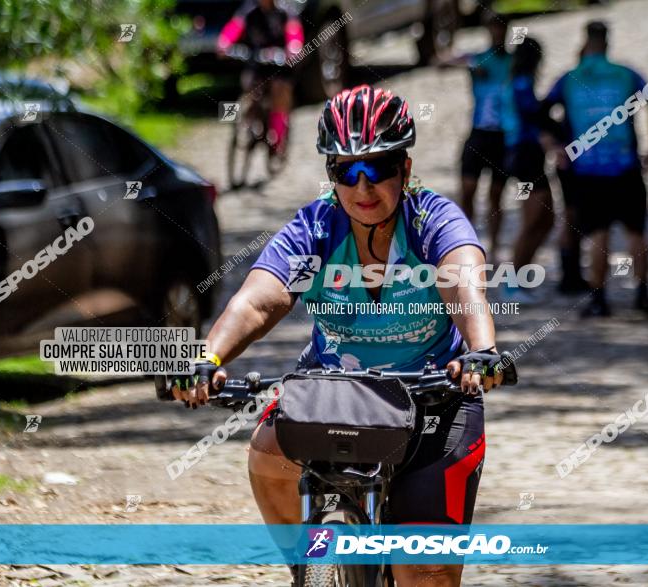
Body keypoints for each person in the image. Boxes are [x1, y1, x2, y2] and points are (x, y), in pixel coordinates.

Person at [170, 85, 514, 587]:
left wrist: (483, 352)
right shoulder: (315, 226)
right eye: (344, 170)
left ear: (406, 169)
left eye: (377, 167)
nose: (362, 186)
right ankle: (310, 570)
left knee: (425, 569)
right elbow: (259, 299)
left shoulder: (431, 218)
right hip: (335, 389)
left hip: (436, 395)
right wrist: (208, 356)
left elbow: (463, 282)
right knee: (267, 451)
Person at [541, 21, 648, 317]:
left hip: (588, 169)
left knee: (598, 234)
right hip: (625, 165)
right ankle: (643, 296)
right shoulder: (625, 73)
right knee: (637, 232)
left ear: (586, 42)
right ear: (608, 42)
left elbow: (541, 110)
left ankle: (599, 300)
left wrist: (555, 146)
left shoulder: (570, 78)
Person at [445, 12, 513, 256]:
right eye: (492, 29)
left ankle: (494, 247)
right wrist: (467, 63)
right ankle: (464, 241)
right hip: (478, 133)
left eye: (500, 29)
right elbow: (441, 61)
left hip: (503, 135)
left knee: (496, 195)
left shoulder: (513, 62)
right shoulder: (478, 59)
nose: (496, 34)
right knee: (467, 190)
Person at [499, 36, 554, 303]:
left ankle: (519, 279)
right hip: (525, 156)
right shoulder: (521, 83)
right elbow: (534, 114)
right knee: (533, 220)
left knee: (547, 219)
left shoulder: (519, 81)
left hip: (528, 155)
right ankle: (512, 282)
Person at [217, 0, 305, 157]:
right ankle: (247, 120)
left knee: (280, 92)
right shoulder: (249, 10)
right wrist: (224, 43)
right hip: (257, 63)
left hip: (279, 65)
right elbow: (234, 27)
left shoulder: (285, 11)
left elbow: (294, 32)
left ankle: (277, 137)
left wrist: (293, 48)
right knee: (248, 85)